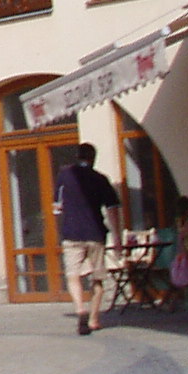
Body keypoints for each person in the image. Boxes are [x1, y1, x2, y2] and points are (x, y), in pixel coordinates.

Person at [53, 142, 120, 335]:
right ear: (93, 158)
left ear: (77, 156)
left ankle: (80, 309)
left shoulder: (64, 176)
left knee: (73, 276)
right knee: (97, 279)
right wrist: (117, 238)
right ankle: (93, 319)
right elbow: (112, 209)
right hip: (95, 234)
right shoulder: (101, 179)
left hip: (72, 233)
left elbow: (56, 207)